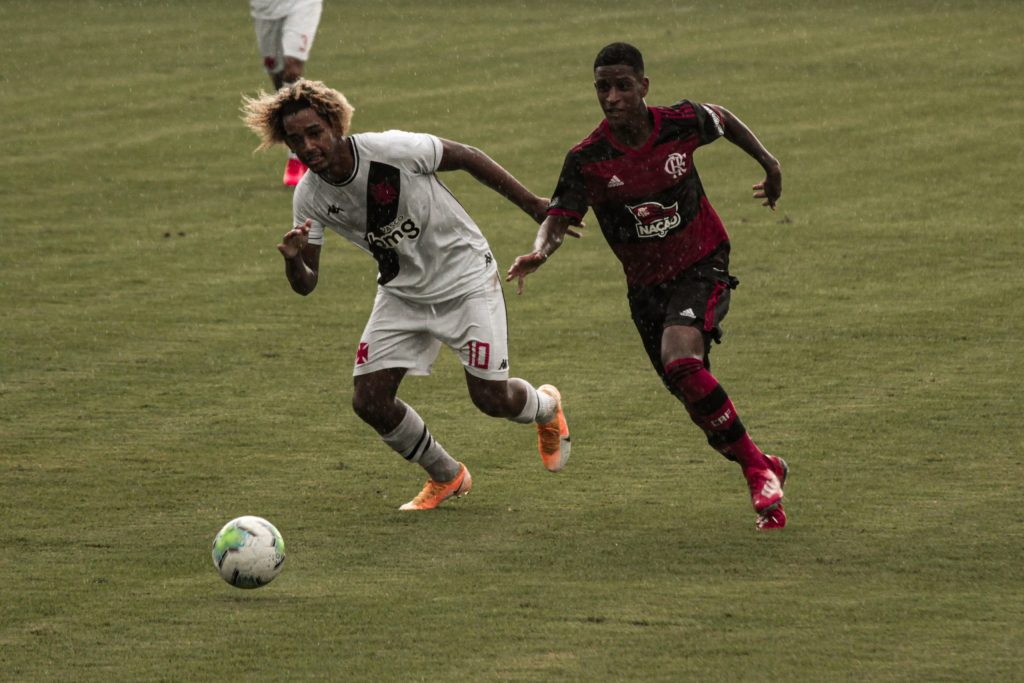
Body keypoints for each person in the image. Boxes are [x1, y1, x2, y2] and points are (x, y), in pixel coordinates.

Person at [242, 79, 571, 511]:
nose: (306, 147)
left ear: (335, 125)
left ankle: (547, 408)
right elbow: (307, 283)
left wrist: (531, 203)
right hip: (403, 294)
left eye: (314, 133)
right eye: (295, 139)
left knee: (491, 399)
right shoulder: (310, 196)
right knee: (370, 400)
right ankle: (447, 475)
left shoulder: (392, 149)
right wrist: (292, 258)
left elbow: (468, 157)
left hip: (466, 279)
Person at [507, 43, 788, 530]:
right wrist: (540, 250)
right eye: (602, 87)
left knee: (682, 360)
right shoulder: (588, 158)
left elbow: (722, 118)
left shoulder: (679, 122)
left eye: (622, 85)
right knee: (695, 399)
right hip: (646, 290)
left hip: (702, 262)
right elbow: (559, 215)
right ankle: (764, 464)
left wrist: (770, 163)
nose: (611, 97)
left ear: (644, 86)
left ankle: (757, 474)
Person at [248, 0, 324, 186]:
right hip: (265, 10)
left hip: (301, 4)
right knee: (279, 80)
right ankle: (298, 139)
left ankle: (297, 158)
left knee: (292, 69)